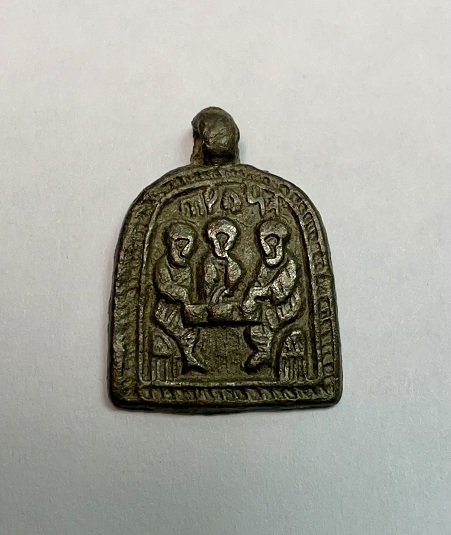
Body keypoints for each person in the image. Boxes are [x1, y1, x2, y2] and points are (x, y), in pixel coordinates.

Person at [243, 220, 303, 370]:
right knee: (253, 326)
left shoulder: (289, 264)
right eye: (266, 242)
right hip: (268, 304)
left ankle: (266, 352)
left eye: (273, 241)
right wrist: (251, 295)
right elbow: (259, 282)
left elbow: (280, 291)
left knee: (266, 320)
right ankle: (263, 351)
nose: (270, 246)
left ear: (279, 242)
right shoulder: (265, 265)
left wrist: (258, 292)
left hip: (285, 306)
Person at [154, 221, 205, 372]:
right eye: (179, 243)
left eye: (185, 244)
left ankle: (189, 358)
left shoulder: (187, 266)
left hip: (182, 309)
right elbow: (164, 287)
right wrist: (182, 294)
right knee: (181, 330)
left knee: (193, 329)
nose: (182, 248)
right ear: (171, 243)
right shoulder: (163, 264)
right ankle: (187, 359)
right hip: (166, 311)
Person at [202, 217, 243, 304]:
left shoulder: (231, 262)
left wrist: (226, 290)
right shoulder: (209, 261)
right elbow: (209, 281)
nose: (222, 242)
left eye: (225, 239)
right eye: (219, 238)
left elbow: (236, 274)